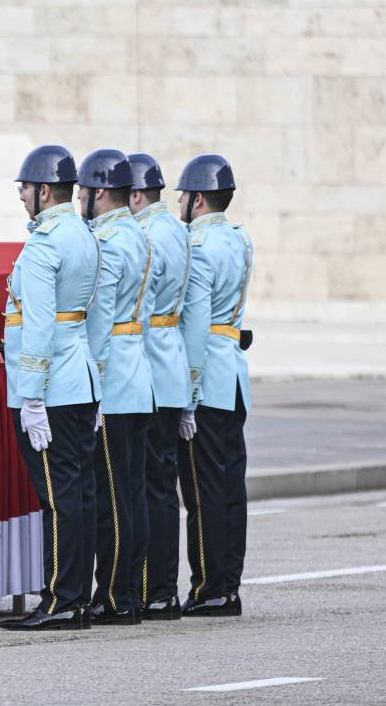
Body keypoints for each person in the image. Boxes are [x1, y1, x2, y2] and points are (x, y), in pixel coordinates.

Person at [0, 144, 101, 633]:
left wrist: (31, 394)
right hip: (80, 380)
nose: (20, 196)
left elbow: (37, 325)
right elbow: (95, 318)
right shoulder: (85, 234)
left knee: (58, 498)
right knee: (78, 493)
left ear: (43, 190)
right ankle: (77, 596)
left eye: (24, 187)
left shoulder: (43, 244)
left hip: (51, 388)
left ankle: (60, 599)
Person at [80, 147, 155, 626]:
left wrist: (95, 386)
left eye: (84, 191)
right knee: (132, 493)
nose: (80, 198)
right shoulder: (138, 233)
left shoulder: (108, 241)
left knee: (111, 498)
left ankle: (113, 595)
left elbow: (100, 321)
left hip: (115, 381)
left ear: (101, 192)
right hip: (140, 373)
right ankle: (128, 589)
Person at [177, 153, 253, 618]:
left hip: (207, 380)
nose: (179, 203)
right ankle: (229, 583)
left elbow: (195, 326)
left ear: (198, 199)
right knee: (229, 488)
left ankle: (209, 588)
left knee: (202, 492)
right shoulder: (241, 240)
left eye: (183, 196)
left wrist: (187, 392)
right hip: (234, 375)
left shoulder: (199, 247)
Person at [128, 152, 191, 620]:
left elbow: (141, 310)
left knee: (147, 485)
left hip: (148, 363)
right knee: (163, 485)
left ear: (134, 195)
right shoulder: (178, 230)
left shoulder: (145, 235)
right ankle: (165, 587)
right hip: (173, 363)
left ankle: (154, 586)